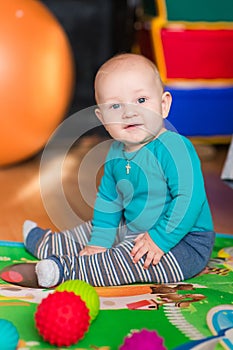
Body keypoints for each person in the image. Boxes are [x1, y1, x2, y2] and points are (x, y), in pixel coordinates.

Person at [23, 53, 215, 288]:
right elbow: (109, 201)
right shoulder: (115, 152)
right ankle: (50, 243)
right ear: (102, 118)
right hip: (135, 228)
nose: (129, 112)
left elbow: (189, 199)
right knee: (97, 228)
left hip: (184, 242)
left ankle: (69, 270)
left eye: (141, 100)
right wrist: (100, 242)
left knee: (130, 260)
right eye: (115, 106)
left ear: (163, 105)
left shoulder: (174, 147)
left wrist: (159, 239)